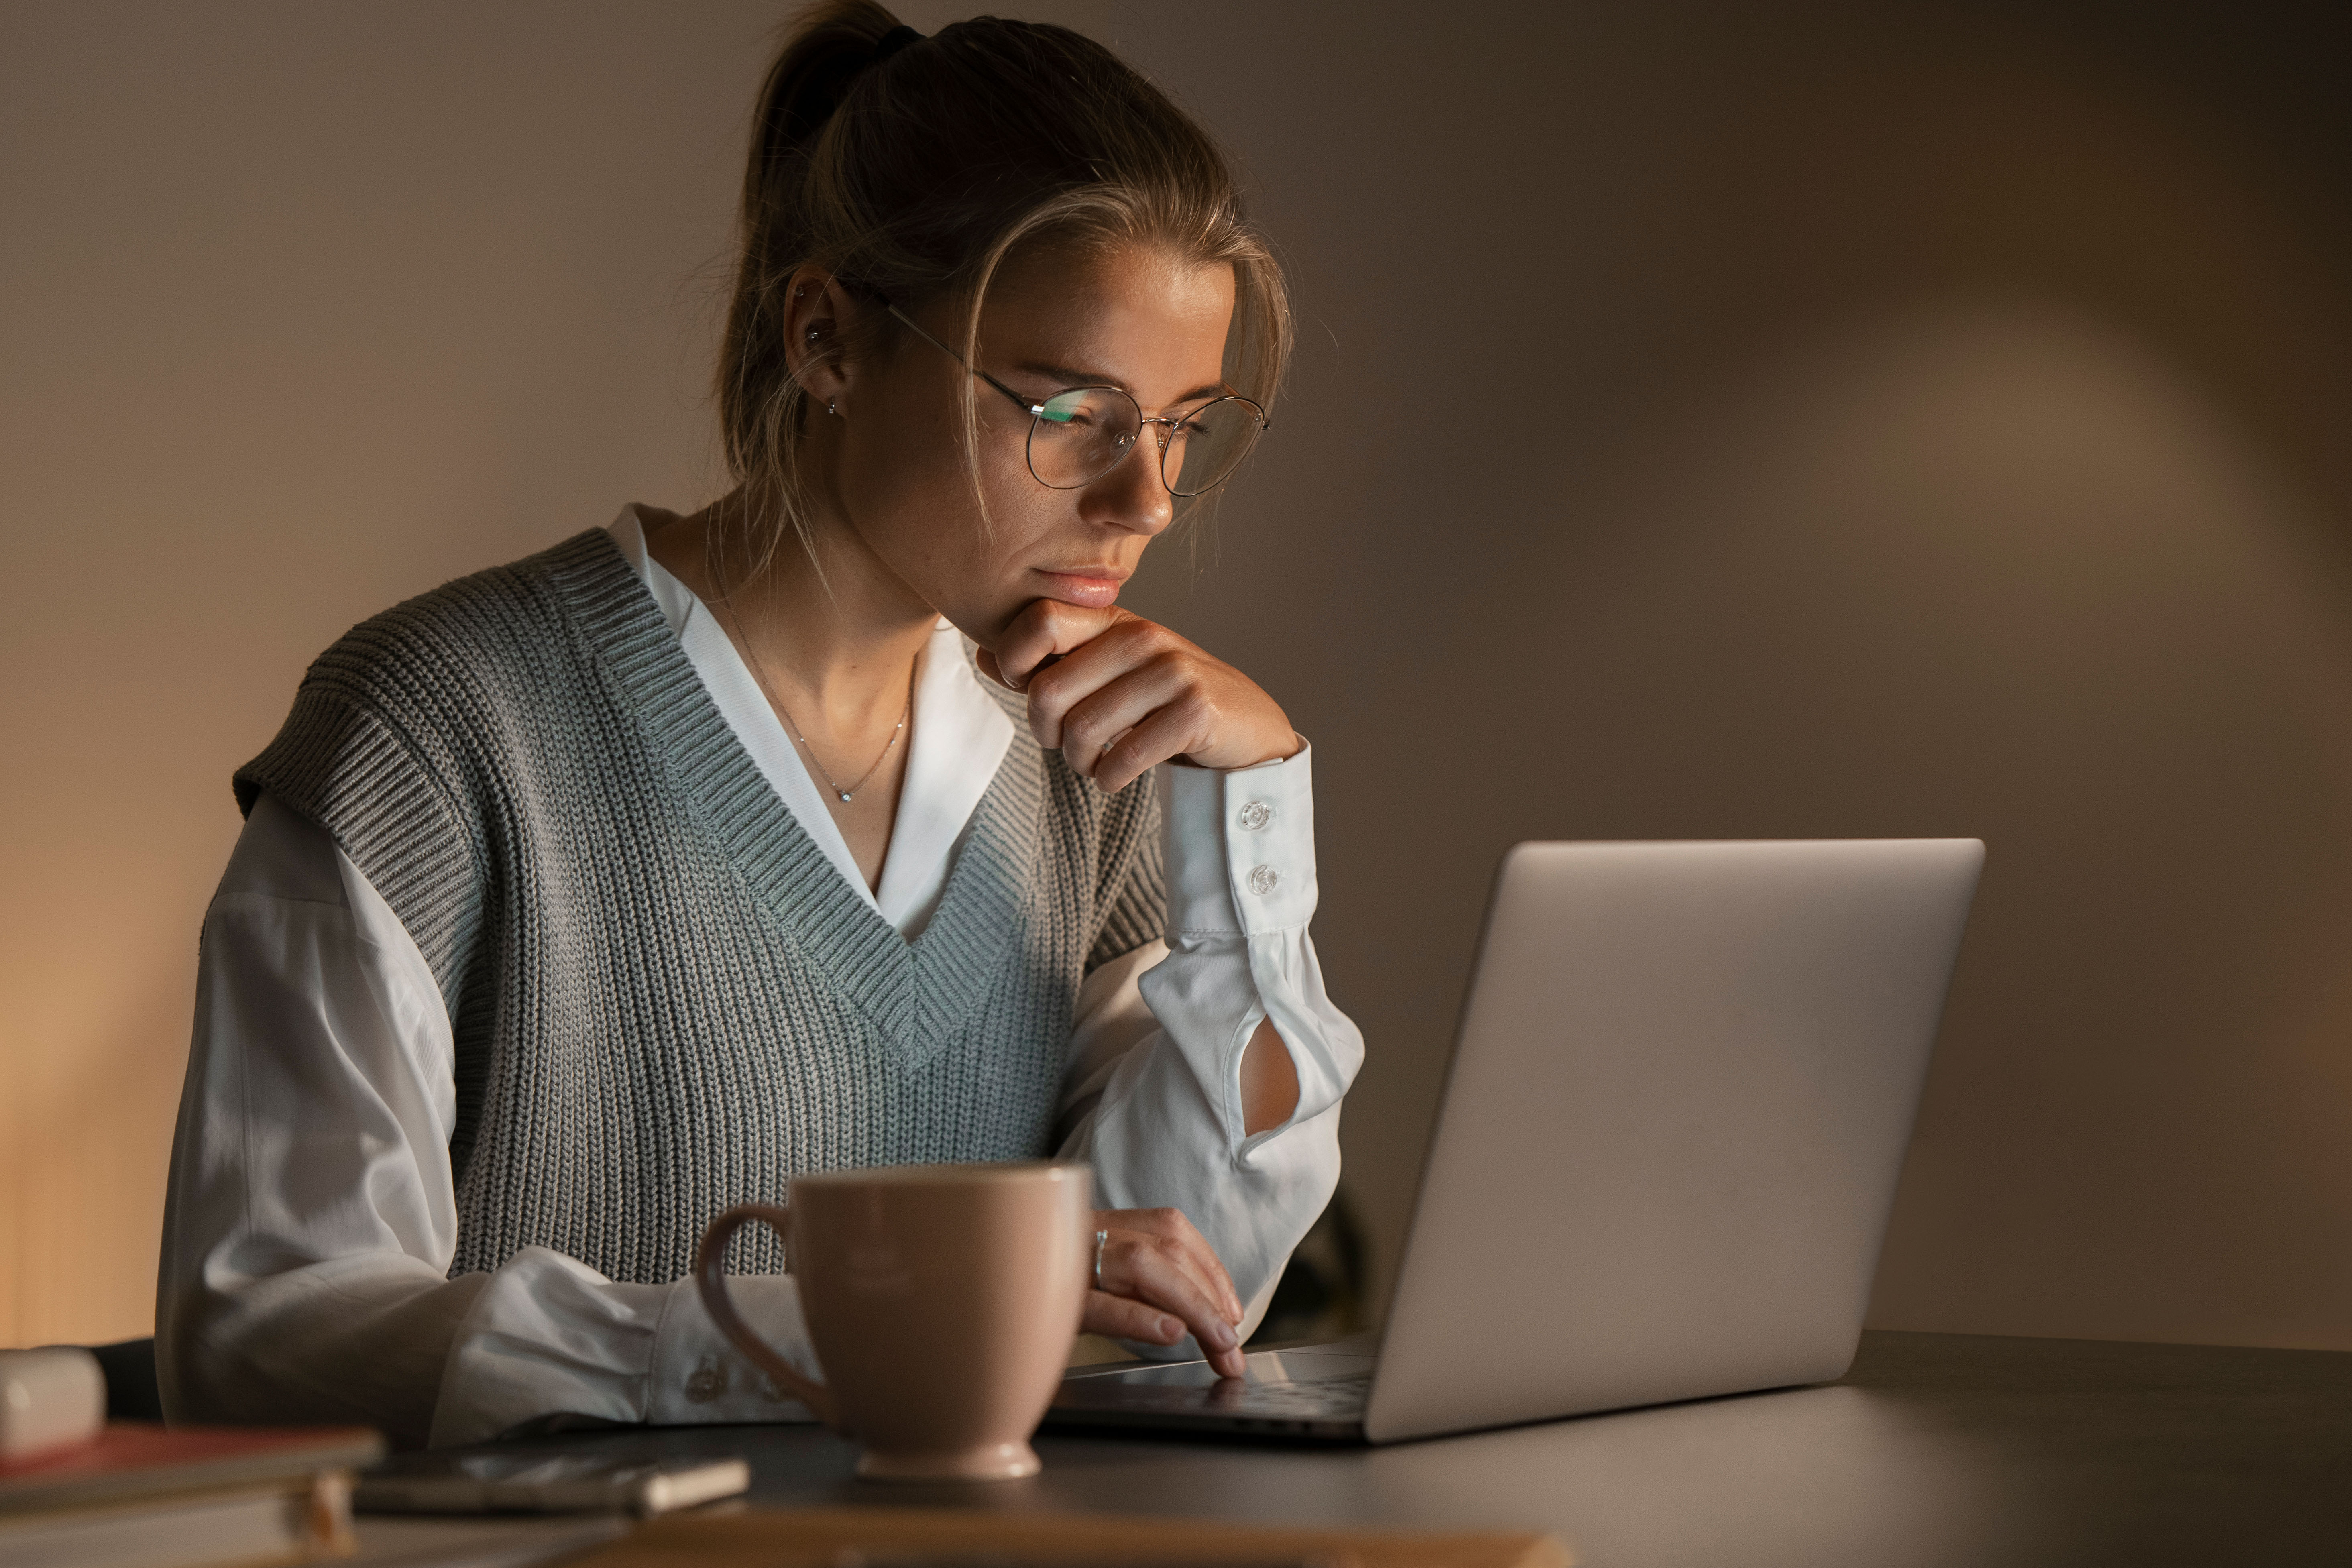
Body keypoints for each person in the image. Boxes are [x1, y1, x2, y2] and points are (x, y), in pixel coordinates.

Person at [156, 2, 1363, 1449]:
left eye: (1181, 424)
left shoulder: (1081, 762)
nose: (1145, 500)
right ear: (826, 338)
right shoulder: (438, 727)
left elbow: (1181, 1285)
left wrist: (1255, 805)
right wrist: (817, 1331)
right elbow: (263, 1333)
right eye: (1069, 410)